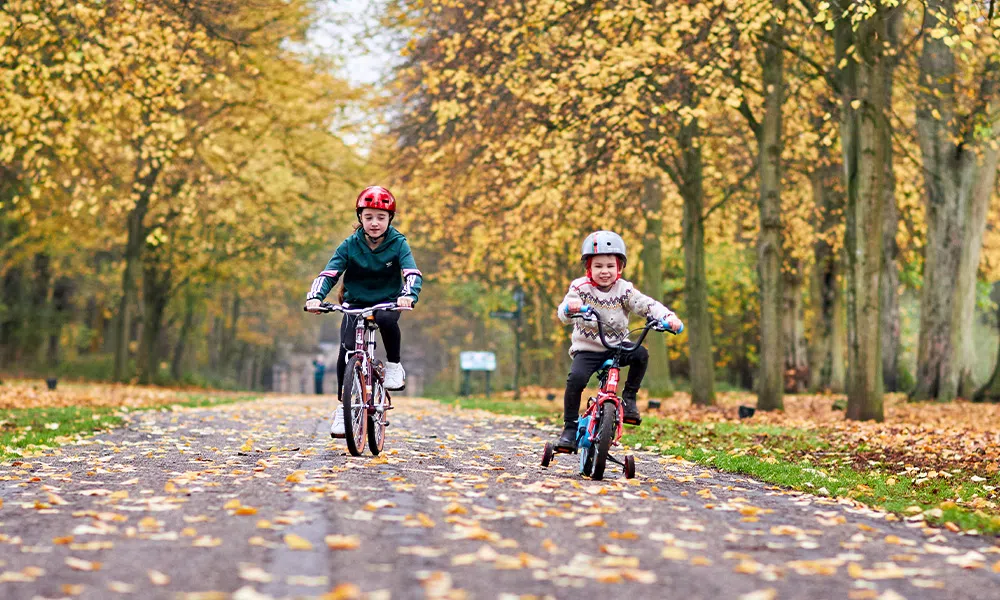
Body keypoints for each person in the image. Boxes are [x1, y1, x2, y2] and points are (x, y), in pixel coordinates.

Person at [305, 185, 422, 438]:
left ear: (390, 218)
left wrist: (408, 296)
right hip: (355, 302)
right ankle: (342, 407)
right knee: (346, 349)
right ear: (360, 218)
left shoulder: (398, 243)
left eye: (381, 217)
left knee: (386, 319)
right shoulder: (349, 245)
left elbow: (411, 273)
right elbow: (329, 274)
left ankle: (393, 365)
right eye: (368, 217)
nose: (375, 223)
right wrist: (315, 297)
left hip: (388, 301)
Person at [554, 231, 683, 451]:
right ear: (589, 269)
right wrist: (570, 308)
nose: (605, 272)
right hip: (588, 349)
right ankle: (569, 427)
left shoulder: (624, 289)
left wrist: (667, 317)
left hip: (616, 347)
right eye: (598, 266)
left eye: (610, 266)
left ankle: (629, 400)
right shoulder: (580, 288)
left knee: (640, 354)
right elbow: (564, 314)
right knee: (575, 379)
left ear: (619, 267)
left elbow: (646, 305)